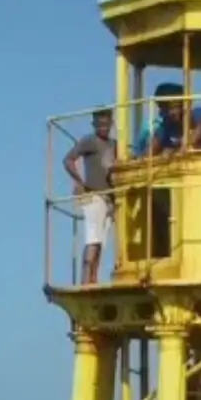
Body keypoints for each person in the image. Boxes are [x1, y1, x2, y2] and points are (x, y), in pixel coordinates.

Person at [132, 82, 201, 259]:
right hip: (182, 183)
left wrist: (173, 151)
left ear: (182, 104)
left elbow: (197, 134)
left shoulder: (197, 113)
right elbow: (151, 149)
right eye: (164, 108)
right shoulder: (166, 125)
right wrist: (136, 159)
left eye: (172, 106)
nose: (169, 112)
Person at [62, 109, 116, 285]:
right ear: (94, 125)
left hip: (109, 199)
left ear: (111, 123)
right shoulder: (89, 141)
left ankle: (93, 279)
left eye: (106, 123)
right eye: (100, 124)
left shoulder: (114, 145)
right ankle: (86, 280)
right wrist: (79, 181)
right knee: (93, 239)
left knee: (101, 242)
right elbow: (68, 159)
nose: (103, 127)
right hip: (93, 195)